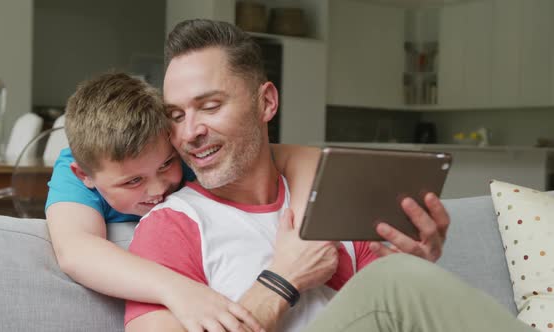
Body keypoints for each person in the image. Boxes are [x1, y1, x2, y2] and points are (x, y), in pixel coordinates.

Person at [123, 19, 530, 332]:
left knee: (399, 274)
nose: (189, 131)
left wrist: (419, 266)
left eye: (209, 106)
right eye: (175, 115)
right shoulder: (172, 226)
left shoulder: (335, 198)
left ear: (266, 102)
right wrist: (283, 280)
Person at [45, 72, 323, 332]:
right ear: (84, 176)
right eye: (133, 181)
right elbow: (76, 250)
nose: (159, 188)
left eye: (167, 164)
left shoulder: (186, 153)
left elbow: (303, 156)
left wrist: (302, 232)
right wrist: (179, 290)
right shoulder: (82, 166)